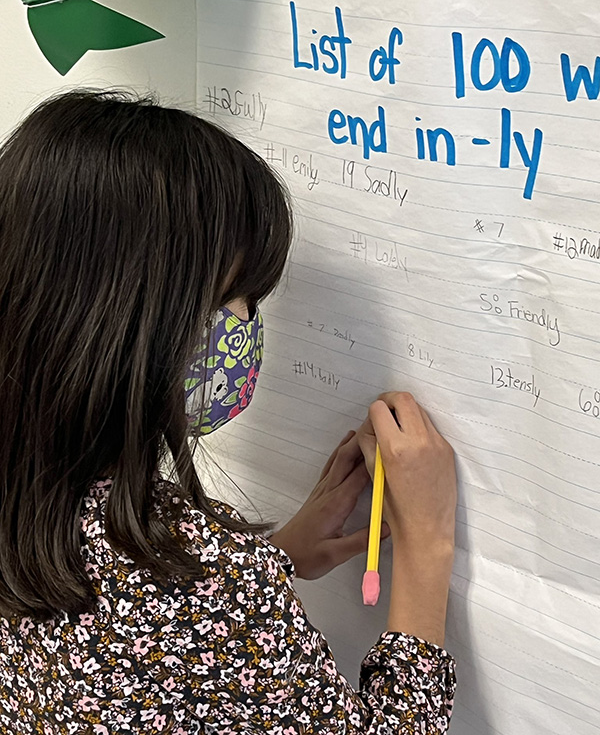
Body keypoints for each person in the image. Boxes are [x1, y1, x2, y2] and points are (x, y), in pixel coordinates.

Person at [0, 89, 457, 734]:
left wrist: (265, 562)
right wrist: (427, 555)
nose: (243, 329)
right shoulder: (192, 595)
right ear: (140, 321)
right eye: (235, 298)